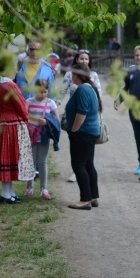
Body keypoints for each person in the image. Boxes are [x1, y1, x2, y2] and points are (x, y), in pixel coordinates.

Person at [0, 55, 36, 204]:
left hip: (1, 122)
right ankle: (6, 194)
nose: (15, 69)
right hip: (11, 125)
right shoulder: (10, 86)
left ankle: (8, 192)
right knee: (9, 158)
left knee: (6, 158)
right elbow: (21, 105)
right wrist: (26, 118)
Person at [64, 64, 102, 210]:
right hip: (89, 132)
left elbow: (82, 113)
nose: (71, 76)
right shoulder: (89, 87)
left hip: (83, 133)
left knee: (78, 165)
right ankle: (93, 196)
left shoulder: (83, 89)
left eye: (72, 74)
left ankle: (85, 199)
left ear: (77, 75)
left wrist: (73, 130)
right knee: (88, 165)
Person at [114, 45, 140, 177]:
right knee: (138, 135)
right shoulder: (131, 71)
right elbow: (126, 88)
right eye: (137, 55)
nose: (139, 57)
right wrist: (119, 100)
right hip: (133, 108)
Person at [25, 79, 58, 199]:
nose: (43, 94)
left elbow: (56, 120)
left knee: (42, 162)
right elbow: (23, 116)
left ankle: (44, 188)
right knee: (31, 162)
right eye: (40, 92)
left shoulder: (51, 103)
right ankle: (29, 187)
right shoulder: (28, 102)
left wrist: (47, 121)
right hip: (31, 136)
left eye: (45, 92)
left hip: (44, 137)